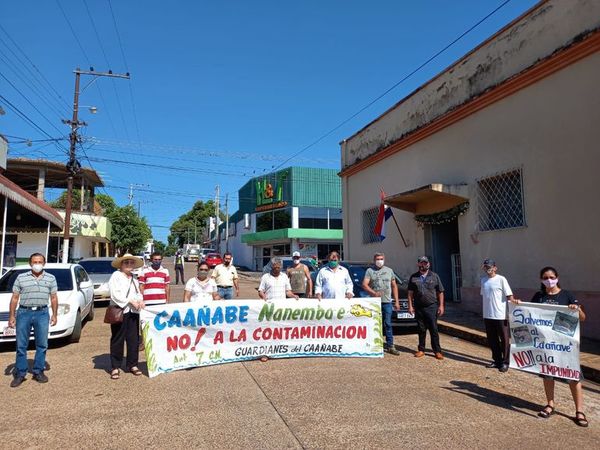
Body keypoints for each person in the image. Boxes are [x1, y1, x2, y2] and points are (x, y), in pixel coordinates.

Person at [513, 266, 588, 427]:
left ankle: (579, 411)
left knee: (573, 377)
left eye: (552, 277)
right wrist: (517, 305)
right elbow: (528, 314)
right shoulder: (539, 296)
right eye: (545, 277)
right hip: (546, 346)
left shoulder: (567, 295)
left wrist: (577, 309)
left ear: (557, 277)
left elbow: (582, 318)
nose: (549, 280)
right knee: (548, 375)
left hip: (564, 346)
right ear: (541, 280)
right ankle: (550, 404)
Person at [8, 253, 58, 387]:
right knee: (21, 345)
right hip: (24, 313)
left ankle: (38, 371)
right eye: (35, 262)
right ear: (30, 264)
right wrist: (12, 316)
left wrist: (54, 315)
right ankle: (20, 373)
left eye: (40, 262)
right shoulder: (21, 277)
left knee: (42, 344)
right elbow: (14, 298)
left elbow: (53, 298)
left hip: (42, 313)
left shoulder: (51, 278)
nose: (37, 264)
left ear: (44, 263)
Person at [108, 254, 145, 380]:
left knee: (133, 339)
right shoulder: (116, 276)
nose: (129, 264)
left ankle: (132, 364)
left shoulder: (134, 278)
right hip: (120, 311)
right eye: (126, 262)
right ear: (121, 264)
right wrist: (129, 301)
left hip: (133, 311)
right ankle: (115, 367)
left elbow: (138, 293)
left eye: (131, 262)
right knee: (118, 339)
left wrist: (140, 300)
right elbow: (114, 294)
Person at [480, 258, 516, 372]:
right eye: (486, 267)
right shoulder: (483, 280)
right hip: (487, 315)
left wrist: (514, 305)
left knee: (504, 339)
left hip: (500, 315)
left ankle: (505, 362)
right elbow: (484, 295)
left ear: (495, 268)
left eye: (490, 267)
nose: (488, 269)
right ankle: (497, 360)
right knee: (492, 339)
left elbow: (509, 295)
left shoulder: (501, 279)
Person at [362, 252, 400, 356]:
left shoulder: (389, 271)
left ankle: (390, 345)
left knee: (388, 324)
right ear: (374, 260)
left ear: (384, 259)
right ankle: (374, 344)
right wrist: (374, 293)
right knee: (374, 324)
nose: (380, 261)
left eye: (381, 258)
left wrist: (396, 301)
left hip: (387, 302)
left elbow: (394, 286)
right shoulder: (370, 271)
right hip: (374, 303)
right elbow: (364, 285)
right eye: (378, 259)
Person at [407, 256, 445, 360]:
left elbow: (440, 291)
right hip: (419, 307)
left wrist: (441, 305)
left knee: (434, 330)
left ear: (429, 264)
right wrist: (410, 306)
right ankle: (421, 349)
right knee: (421, 329)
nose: (424, 265)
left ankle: (437, 351)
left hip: (431, 307)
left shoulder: (434, 276)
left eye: (425, 263)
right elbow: (410, 293)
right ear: (418, 264)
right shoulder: (413, 277)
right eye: (421, 263)